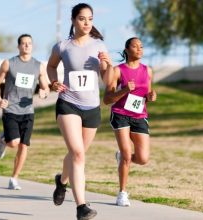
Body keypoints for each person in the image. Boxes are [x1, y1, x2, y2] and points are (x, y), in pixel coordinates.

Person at [47, 3, 112, 220]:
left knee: (78, 153)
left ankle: (62, 181)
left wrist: (108, 65)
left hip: (91, 107)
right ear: (73, 20)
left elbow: (107, 79)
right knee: (78, 154)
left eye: (90, 19)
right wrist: (54, 82)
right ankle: (81, 206)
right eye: (82, 18)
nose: (87, 23)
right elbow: (50, 67)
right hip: (68, 103)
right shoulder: (63, 46)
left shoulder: (99, 45)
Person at [0, 34, 50, 190]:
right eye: (23, 43)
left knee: (24, 145)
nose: (26, 46)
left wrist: (44, 92)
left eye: (29, 43)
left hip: (28, 111)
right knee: (14, 143)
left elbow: (45, 86)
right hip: (10, 109)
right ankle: (4, 140)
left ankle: (14, 178)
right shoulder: (9, 63)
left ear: (32, 46)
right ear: (18, 46)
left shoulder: (39, 66)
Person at [103, 37, 157, 207]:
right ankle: (122, 193)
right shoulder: (117, 71)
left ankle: (122, 158)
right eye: (135, 46)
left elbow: (147, 93)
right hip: (120, 114)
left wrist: (150, 96)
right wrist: (125, 89)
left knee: (142, 158)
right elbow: (106, 99)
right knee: (127, 154)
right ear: (127, 50)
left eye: (141, 46)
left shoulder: (147, 70)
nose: (140, 49)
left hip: (139, 115)